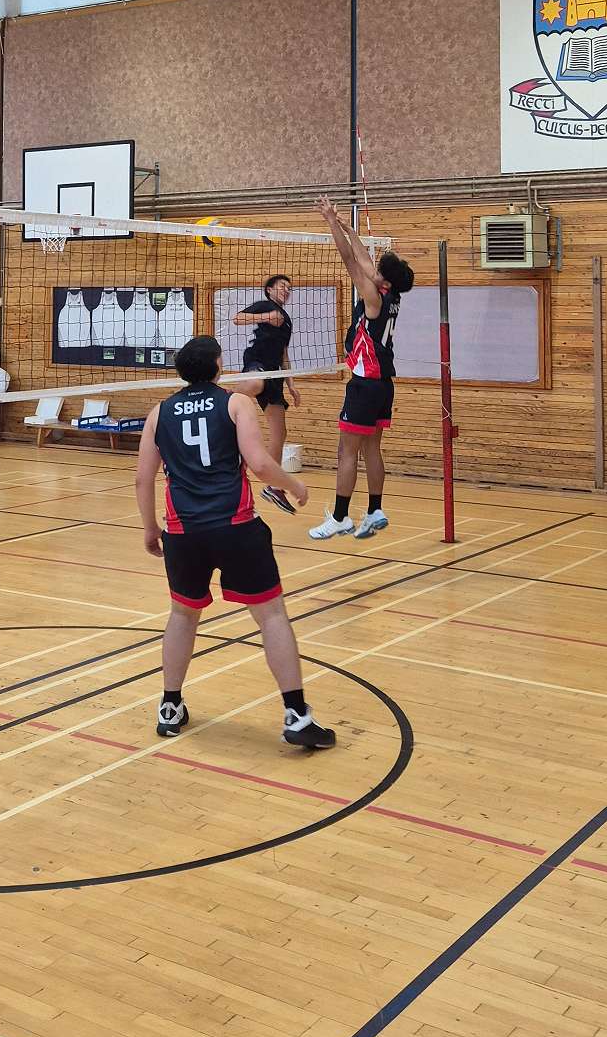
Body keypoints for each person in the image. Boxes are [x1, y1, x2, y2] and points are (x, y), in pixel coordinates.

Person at [136, 335, 333, 752]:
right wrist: (295, 485)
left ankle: (169, 706)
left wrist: (151, 528)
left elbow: (142, 478)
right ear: (217, 366)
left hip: (183, 532)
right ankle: (297, 715)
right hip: (235, 526)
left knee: (182, 615)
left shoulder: (159, 413)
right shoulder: (235, 403)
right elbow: (259, 464)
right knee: (272, 616)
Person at [309, 198, 415, 542]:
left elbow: (351, 261)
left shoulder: (374, 299)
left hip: (365, 383)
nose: (374, 270)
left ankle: (340, 517)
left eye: (380, 272)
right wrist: (345, 223)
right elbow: (365, 260)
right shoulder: (390, 296)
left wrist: (330, 222)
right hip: (384, 385)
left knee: (347, 451)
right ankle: (374, 510)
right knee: (372, 449)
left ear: (385, 282)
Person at [232, 274, 300, 511]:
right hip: (257, 363)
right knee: (255, 383)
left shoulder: (287, 320)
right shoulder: (265, 306)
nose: (286, 290)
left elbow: (284, 354)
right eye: (282, 286)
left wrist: (291, 384)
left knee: (280, 432)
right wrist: (266, 317)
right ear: (270, 290)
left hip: (275, 374)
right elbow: (237, 318)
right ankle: (223, 397)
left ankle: (274, 486)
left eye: (289, 288)